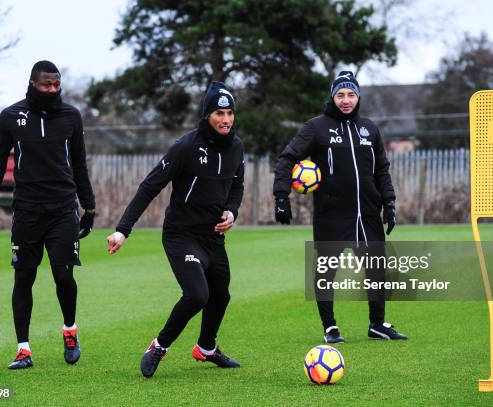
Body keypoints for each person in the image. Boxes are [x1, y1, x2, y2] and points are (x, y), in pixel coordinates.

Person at [107, 81, 245, 378]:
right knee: (197, 295)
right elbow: (150, 186)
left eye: (230, 113)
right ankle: (159, 346)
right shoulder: (186, 147)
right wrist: (123, 230)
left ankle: (206, 348)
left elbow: (237, 185)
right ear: (208, 114)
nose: (226, 119)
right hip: (181, 236)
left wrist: (232, 211)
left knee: (221, 296)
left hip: (214, 237)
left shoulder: (236, 147)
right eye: (219, 113)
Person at [273, 71, 407, 343]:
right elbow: (287, 158)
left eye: (351, 94)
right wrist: (281, 196)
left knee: (377, 269)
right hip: (332, 214)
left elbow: (381, 169)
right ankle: (330, 327)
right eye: (340, 95)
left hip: (368, 213)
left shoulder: (369, 128)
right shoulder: (316, 127)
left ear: (358, 97)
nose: (346, 100)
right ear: (332, 97)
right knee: (326, 271)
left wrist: (390, 202)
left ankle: (377, 324)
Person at [0, 61, 96, 369]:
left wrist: (90, 206)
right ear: (32, 83)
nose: (53, 90)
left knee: (63, 275)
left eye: (57, 85)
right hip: (27, 210)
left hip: (62, 209)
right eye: (47, 85)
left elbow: (80, 165)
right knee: (24, 277)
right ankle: (23, 349)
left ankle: (70, 330)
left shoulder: (71, 116)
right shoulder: (10, 117)